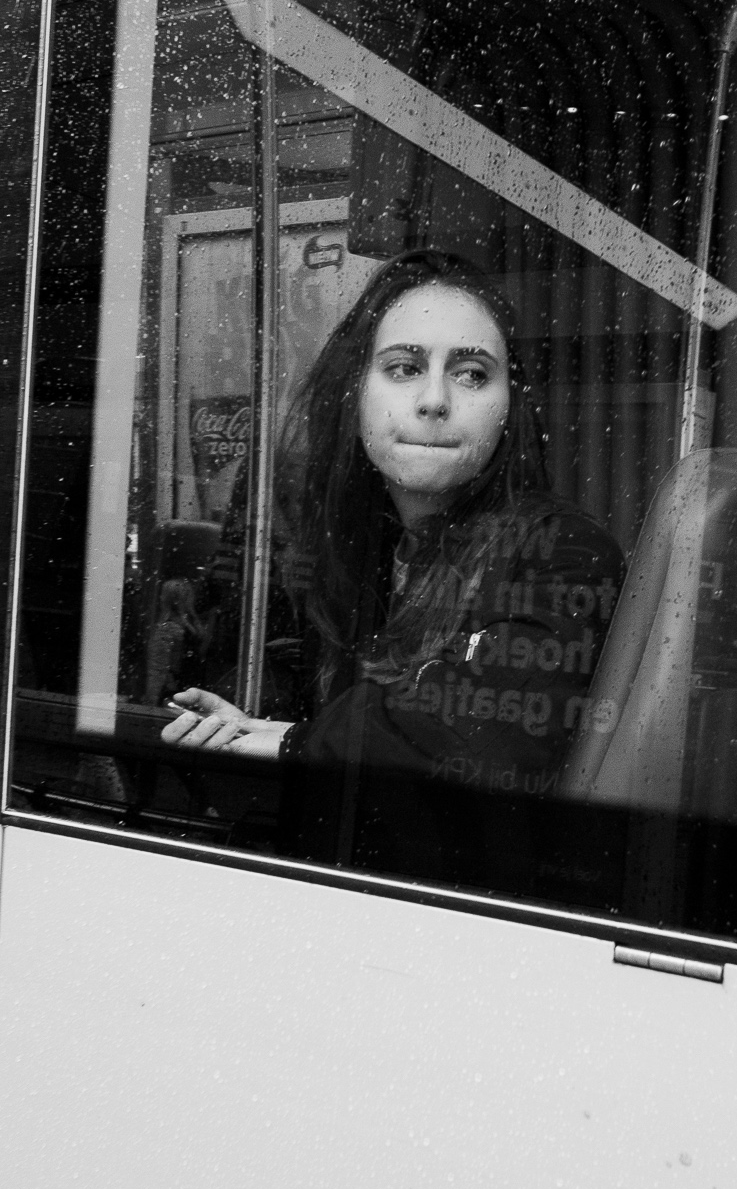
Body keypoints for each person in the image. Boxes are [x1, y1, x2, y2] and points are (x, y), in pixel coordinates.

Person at [160, 249, 625, 804]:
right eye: (403, 367)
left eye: (472, 373)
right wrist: (270, 734)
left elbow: (475, 744)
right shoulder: (358, 548)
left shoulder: (562, 550)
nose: (434, 400)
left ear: (509, 408)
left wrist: (298, 747)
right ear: (355, 392)